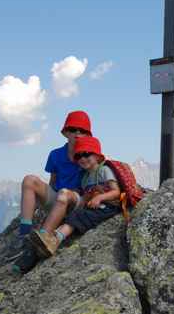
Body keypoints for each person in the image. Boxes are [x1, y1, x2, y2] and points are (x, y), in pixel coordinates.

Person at [13, 136, 121, 272]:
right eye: (79, 156)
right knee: (73, 218)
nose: (82, 158)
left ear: (98, 157)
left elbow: (116, 191)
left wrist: (99, 198)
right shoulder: (86, 177)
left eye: (87, 154)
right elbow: (86, 195)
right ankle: (50, 241)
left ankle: (51, 241)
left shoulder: (104, 171)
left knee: (74, 220)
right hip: (93, 208)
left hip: (107, 207)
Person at [8, 110, 91, 261]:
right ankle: (24, 233)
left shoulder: (89, 155)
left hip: (76, 201)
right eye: (73, 129)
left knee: (64, 193)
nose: (77, 133)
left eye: (82, 131)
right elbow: (53, 181)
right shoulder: (55, 155)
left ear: (88, 135)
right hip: (59, 197)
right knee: (29, 180)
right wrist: (44, 200)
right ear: (65, 132)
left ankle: (43, 238)